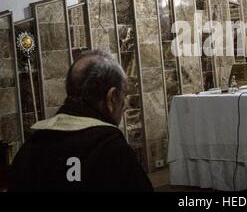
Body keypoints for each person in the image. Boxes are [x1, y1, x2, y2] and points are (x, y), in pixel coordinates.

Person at [9, 50, 153, 192]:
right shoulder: (111, 149)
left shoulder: (31, 147)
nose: (125, 106)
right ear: (112, 98)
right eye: (123, 96)